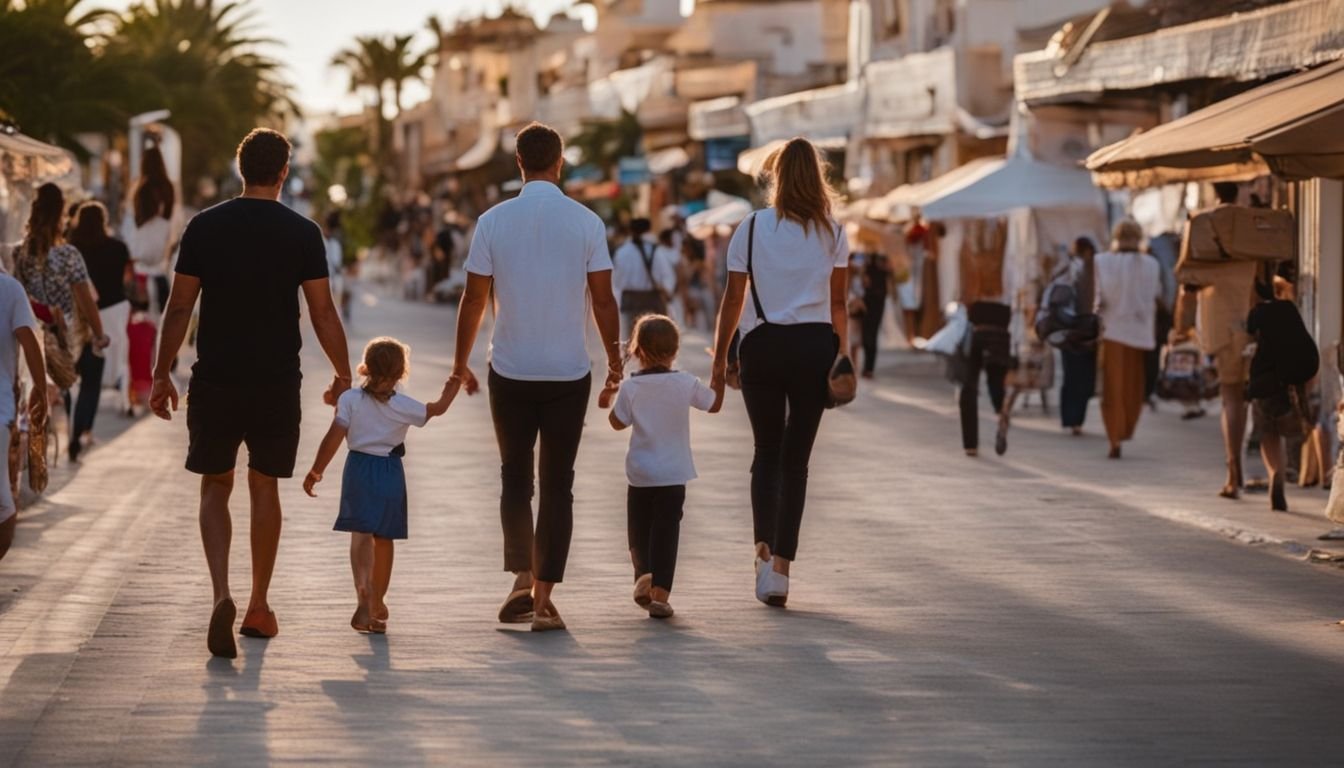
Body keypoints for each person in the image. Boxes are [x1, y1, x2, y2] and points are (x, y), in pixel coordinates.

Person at [150, 128, 352, 659]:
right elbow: (322, 311)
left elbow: (178, 307)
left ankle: (222, 592)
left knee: (215, 485)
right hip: (276, 381)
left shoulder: (204, 226)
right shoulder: (304, 232)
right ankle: (260, 605)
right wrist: (344, 373)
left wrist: (160, 372)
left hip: (216, 377)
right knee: (265, 487)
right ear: (284, 171)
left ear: (241, 169)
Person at [452, 122, 623, 633]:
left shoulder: (492, 221)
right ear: (560, 161)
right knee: (558, 484)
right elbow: (604, 299)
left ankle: (521, 576)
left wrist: (460, 364)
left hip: (509, 368)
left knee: (514, 478)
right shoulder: (587, 222)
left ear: (519, 163)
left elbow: (474, 298)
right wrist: (615, 362)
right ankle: (544, 598)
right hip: (569, 372)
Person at [710, 137, 849, 608]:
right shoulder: (832, 231)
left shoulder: (750, 228)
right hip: (813, 347)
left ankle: (763, 550)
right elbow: (838, 303)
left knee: (766, 451)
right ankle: (782, 572)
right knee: (797, 462)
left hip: (762, 345)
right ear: (818, 176)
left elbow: (733, 299)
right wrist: (842, 353)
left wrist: (719, 359)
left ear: (777, 177)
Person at [303, 337, 460, 633]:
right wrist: (449, 391)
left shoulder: (349, 400)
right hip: (389, 471)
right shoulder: (403, 405)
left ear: (365, 368)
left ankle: (362, 587)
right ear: (402, 374)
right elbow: (434, 410)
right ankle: (377, 600)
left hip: (358, 470)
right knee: (384, 538)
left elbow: (334, 436)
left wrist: (316, 470)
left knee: (361, 534)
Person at [609, 315, 722, 619]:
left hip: (641, 474)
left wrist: (611, 392)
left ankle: (643, 573)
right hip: (673, 475)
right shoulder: (685, 383)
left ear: (637, 350)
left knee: (638, 531)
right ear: (675, 351)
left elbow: (616, 423)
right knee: (667, 532)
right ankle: (660, 596)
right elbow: (713, 403)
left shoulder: (632, 388)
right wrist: (719, 370)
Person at [1171, 182, 1258, 497]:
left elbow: (1186, 285)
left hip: (1219, 329)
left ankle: (1233, 472)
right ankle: (1252, 469)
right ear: (1238, 193)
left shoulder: (1204, 227)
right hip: (1252, 324)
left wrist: (1179, 326)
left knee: (1230, 399)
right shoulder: (1251, 229)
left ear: (1215, 192)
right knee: (1248, 400)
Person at [11, 184, 111, 405]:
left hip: (32, 331)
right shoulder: (69, 254)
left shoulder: (20, 252)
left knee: (42, 395)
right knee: (79, 378)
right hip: (64, 334)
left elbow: (16, 293)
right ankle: (76, 431)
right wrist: (99, 333)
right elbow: (84, 297)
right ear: (61, 215)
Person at [66, 201, 131, 461]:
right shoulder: (118, 248)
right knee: (91, 383)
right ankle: (83, 431)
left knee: (71, 381)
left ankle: (72, 431)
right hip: (111, 314)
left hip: (76, 319)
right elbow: (126, 279)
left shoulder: (71, 250)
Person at [1095, 218, 1162, 459]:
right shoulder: (1151, 264)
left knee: (1112, 389)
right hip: (1139, 334)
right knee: (1134, 387)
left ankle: (1114, 436)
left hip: (1112, 333)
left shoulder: (1101, 261)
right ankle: (1125, 430)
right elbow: (1155, 294)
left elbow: (1097, 296)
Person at [0, 260, 50, 563]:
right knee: (4, 506)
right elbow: (29, 342)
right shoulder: (9, 288)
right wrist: (41, 392)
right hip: (0, 410)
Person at [126, 145, 177, 321]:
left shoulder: (139, 189)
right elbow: (170, 223)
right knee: (161, 321)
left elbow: (133, 225)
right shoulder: (169, 188)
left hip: (140, 266)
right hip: (160, 266)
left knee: (141, 320)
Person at [959, 299, 1013, 457]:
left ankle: (970, 444)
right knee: (996, 384)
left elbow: (963, 296)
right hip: (1001, 328)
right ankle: (1000, 416)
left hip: (976, 328)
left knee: (968, 385)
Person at [1058, 237, 1098, 435]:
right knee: (1083, 377)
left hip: (1068, 328)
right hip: (1087, 329)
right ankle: (1076, 421)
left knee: (1071, 375)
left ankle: (1070, 419)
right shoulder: (1092, 269)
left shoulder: (1067, 268)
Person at [612, 217, 677, 339]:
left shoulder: (622, 252)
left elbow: (617, 282)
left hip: (630, 300)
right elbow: (667, 276)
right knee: (654, 339)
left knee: (631, 340)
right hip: (652, 300)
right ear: (649, 230)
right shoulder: (656, 250)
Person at [861, 246, 892, 378]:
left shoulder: (873, 268)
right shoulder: (880, 269)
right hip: (874, 303)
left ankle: (868, 367)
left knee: (869, 335)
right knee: (870, 335)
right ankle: (868, 367)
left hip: (871, 303)